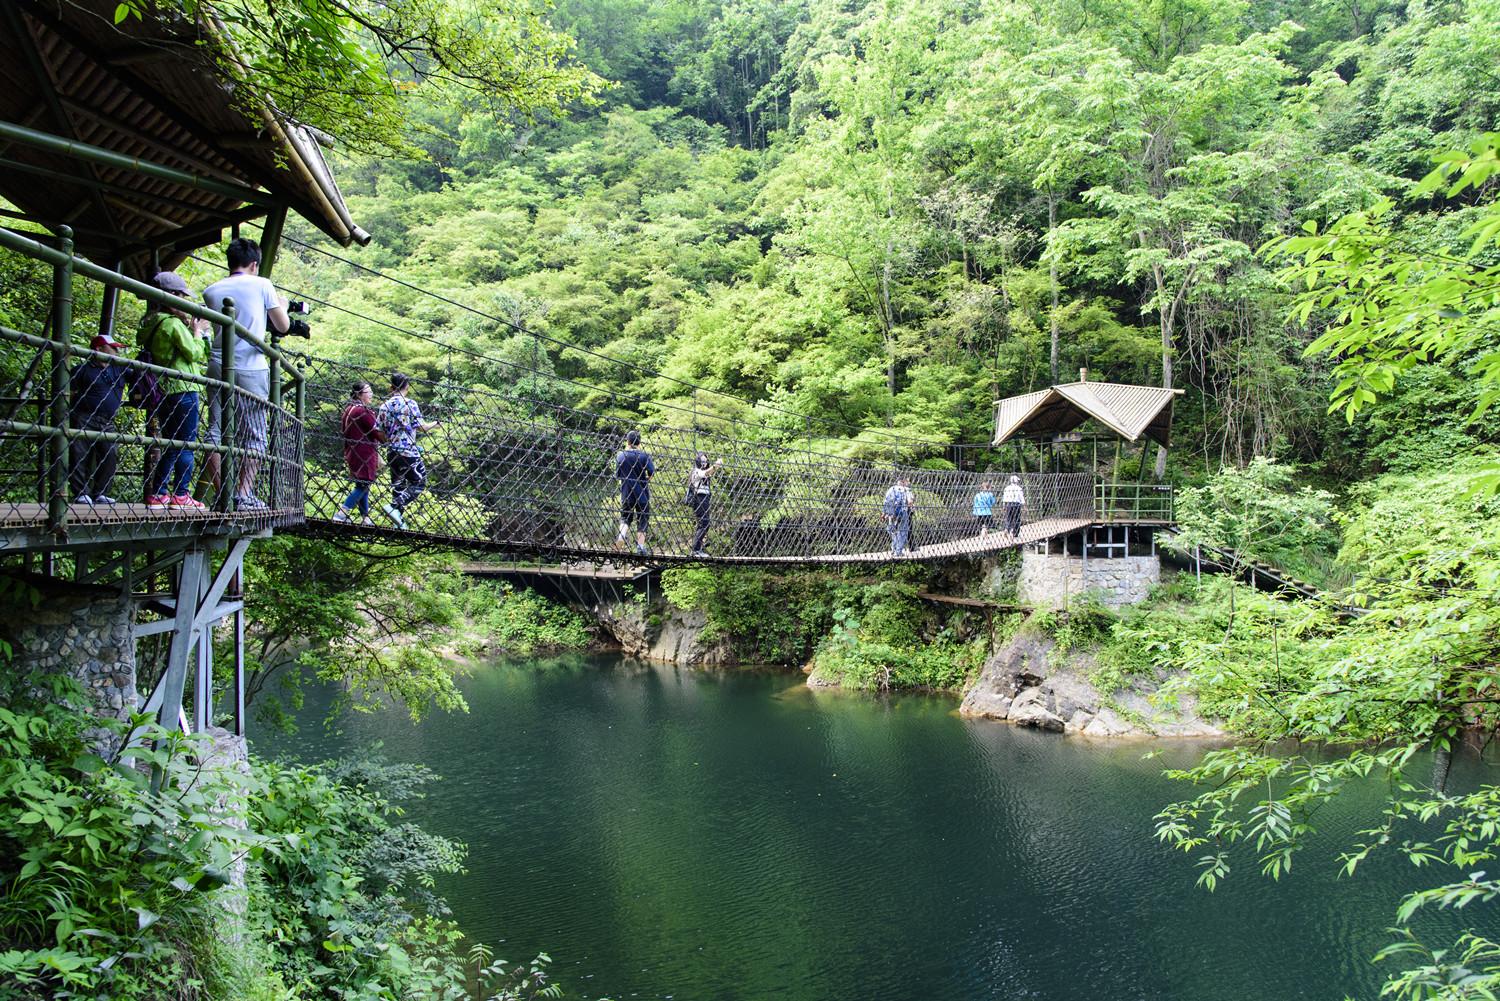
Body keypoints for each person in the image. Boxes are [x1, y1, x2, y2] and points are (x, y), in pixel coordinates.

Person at [201, 237, 289, 510]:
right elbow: (282, 326)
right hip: (251, 367)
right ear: (254, 264)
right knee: (254, 434)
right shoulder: (262, 284)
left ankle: (222, 493)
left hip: (217, 363)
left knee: (215, 429)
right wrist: (282, 305)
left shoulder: (210, 290)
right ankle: (242, 494)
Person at [140, 272, 211, 510]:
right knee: (186, 443)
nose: (185, 303)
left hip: (163, 390)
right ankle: (181, 494)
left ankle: (159, 493)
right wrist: (199, 332)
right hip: (184, 389)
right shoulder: (171, 324)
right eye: (181, 297)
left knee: (172, 442)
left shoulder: (150, 323)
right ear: (171, 297)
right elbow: (195, 353)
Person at [68, 332, 129, 504]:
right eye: (113, 349)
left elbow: (140, 376)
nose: (117, 353)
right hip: (84, 416)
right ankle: (81, 492)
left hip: (106, 420)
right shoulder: (81, 370)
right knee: (79, 454)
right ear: (99, 349)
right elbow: (69, 393)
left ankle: (100, 492)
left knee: (110, 453)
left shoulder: (119, 369)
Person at [377, 372, 437, 529]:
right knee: (419, 482)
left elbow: (379, 431)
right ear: (407, 387)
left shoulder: (384, 406)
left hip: (392, 452)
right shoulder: (410, 404)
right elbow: (423, 427)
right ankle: (394, 507)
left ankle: (399, 522)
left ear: (391, 386)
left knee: (398, 485)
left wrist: (390, 440)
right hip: (408, 452)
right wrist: (436, 423)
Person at [333, 381, 386, 525]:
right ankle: (342, 513)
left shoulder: (348, 410)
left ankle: (365, 518)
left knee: (362, 484)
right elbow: (377, 432)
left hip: (352, 452)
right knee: (364, 483)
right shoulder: (362, 411)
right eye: (368, 392)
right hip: (364, 454)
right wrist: (393, 437)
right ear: (359, 394)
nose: (371, 395)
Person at [614, 429, 654, 556]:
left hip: (627, 492)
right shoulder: (644, 456)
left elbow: (618, 475)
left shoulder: (621, 455)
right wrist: (646, 479)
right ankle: (640, 547)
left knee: (625, 517)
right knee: (643, 519)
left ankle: (621, 538)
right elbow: (651, 472)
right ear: (639, 442)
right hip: (641, 492)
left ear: (627, 441)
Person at [685, 451, 723, 557]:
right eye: (702, 460)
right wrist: (716, 465)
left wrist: (715, 467)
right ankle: (696, 550)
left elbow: (709, 473)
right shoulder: (696, 471)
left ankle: (698, 548)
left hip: (704, 498)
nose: (704, 463)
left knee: (704, 523)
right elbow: (706, 473)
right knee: (704, 523)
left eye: (706, 461)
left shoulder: (703, 471)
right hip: (699, 498)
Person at [881, 476, 914, 556]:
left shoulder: (891, 489)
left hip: (891, 514)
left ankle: (893, 549)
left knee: (892, 531)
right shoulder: (906, 490)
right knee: (902, 532)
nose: (908, 483)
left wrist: (883, 513)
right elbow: (910, 502)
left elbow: (886, 502)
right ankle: (898, 552)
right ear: (904, 481)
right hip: (903, 513)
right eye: (907, 481)